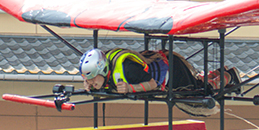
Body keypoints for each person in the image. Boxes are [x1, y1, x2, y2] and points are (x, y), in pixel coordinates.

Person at [78, 47, 238, 96]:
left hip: (172, 72)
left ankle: (230, 75)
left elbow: (152, 84)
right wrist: (90, 87)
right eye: (87, 80)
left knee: (204, 91)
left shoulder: (127, 70)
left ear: (103, 69)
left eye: (92, 79)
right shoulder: (106, 77)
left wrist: (130, 89)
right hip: (168, 66)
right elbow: (104, 87)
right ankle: (221, 71)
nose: (91, 83)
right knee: (198, 83)